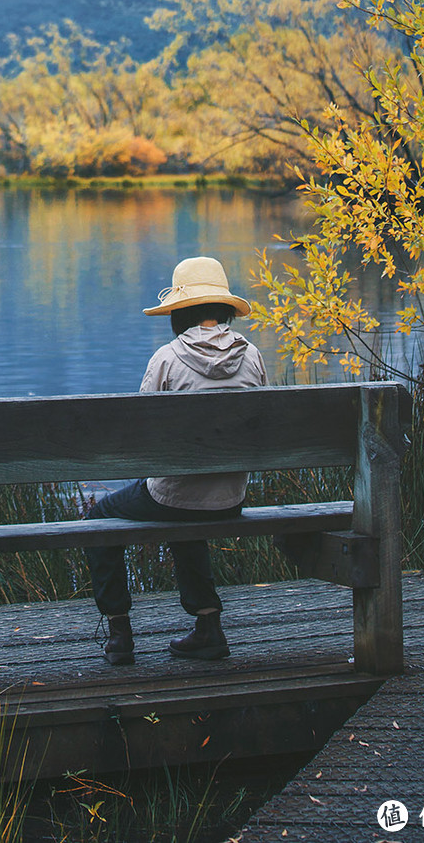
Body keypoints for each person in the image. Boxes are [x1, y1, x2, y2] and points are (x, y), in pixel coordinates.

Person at [84, 255, 267, 666]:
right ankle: (208, 626)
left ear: (180, 310)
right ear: (223, 308)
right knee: (189, 507)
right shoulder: (252, 356)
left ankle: (119, 632)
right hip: (230, 496)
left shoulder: (166, 359)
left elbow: (143, 439)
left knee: (98, 520)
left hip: (174, 496)